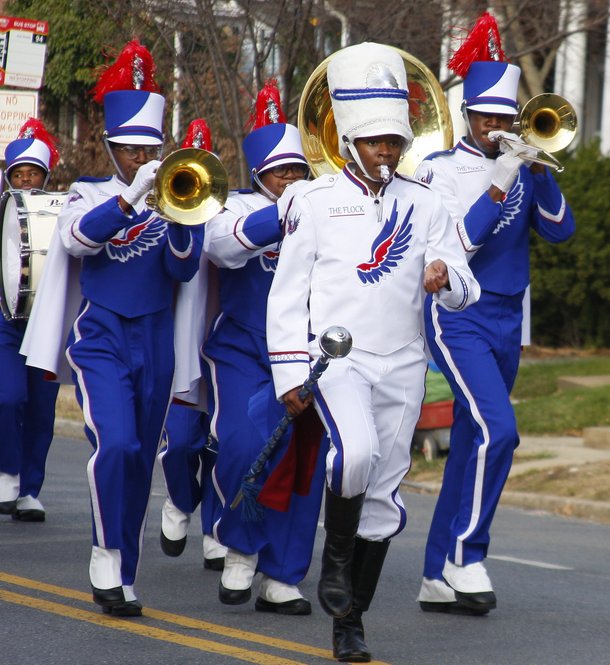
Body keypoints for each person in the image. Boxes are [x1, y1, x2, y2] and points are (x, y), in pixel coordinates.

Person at [267, 42, 479, 663]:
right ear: (352, 141)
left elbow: (468, 286)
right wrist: (288, 371)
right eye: (375, 141)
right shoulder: (311, 200)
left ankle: (349, 621)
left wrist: (447, 276)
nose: (386, 150)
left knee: (385, 498)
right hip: (340, 360)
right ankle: (333, 566)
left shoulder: (427, 201)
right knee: (352, 452)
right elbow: (287, 297)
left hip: (405, 361)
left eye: (394, 140)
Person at [412, 11, 575, 616]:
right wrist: (502, 178)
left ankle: (435, 576)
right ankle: (466, 553)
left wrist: (537, 169)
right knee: (499, 430)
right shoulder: (439, 171)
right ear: (466, 117)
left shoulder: (523, 167)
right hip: (457, 314)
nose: (497, 128)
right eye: (487, 118)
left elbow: (562, 233)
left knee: (472, 437)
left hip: (509, 318)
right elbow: (460, 243)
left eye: (505, 119)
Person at [50, 40, 204, 617]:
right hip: (102, 338)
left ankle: (125, 570)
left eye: (150, 148)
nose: (142, 157)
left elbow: (184, 269)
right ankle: (104, 551)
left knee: (142, 460)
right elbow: (76, 238)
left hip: (156, 340)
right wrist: (129, 198)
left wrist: (181, 215)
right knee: (115, 444)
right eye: (131, 148)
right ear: (112, 146)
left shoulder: (172, 193)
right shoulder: (87, 191)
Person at [203, 83, 317, 615]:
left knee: (303, 464)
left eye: (298, 170)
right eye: (280, 173)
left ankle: (282, 574)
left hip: (308, 357)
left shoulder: (325, 205)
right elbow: (223, 247)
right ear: (259, 177)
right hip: (243, 350)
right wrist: (287, 211)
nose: (291, 180)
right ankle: (241, 547)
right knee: (245, 447)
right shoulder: (235, 206)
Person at [156, 118, 227, 571]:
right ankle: (181, 501)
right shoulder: (160, 213)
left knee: (223, 442)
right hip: (181, 341)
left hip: (223, 340)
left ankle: (217, 529)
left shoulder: (232, 210)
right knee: (182, 443)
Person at [0, 118, 61, 521]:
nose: (25, 180)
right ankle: (7, 471)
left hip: (46, 320)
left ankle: (29, 490)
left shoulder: (61, 210)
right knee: (8, 397)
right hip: (5, 319)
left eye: (33, 173)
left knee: (41, 408)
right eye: (18, 174)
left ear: (45, 175)